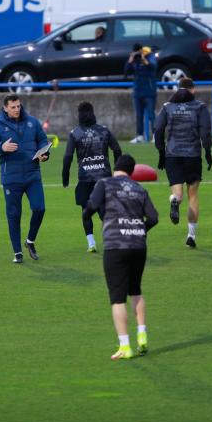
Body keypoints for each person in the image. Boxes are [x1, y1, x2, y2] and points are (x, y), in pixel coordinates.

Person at [83, 154, 159, 360]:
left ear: (115, 167)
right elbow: (154, 217)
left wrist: (90, 215)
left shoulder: (104, 183)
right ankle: (142, 333)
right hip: (138, 244)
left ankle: (125, 345)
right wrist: (140, 229)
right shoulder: (139, 188)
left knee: (117, 297)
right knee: (136, 290)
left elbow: (90, 207)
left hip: (115, 245)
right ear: (132, 172)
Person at [0, 94, 50, 263]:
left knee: (39, 208)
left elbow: (43, 140)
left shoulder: (32, 122)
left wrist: (45, 154)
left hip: (32, 174)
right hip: (11, 178)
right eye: (13, 107)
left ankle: (30, 240)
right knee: (14, 215)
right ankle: (17, 253)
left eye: (18, 106)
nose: (17, 110)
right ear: (5, 108)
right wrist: (1, 147)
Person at [154, 77, 212, 248]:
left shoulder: (167, 107)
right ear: (192, 90)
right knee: (193, 196)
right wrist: (207, 152)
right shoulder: (200, 107)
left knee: (178, 195)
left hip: (173, 155)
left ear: (178, 89)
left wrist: (161, 152)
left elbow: (158, 130)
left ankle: (174, 199)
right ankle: (191, 235)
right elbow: (205, 132)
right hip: (193, 156)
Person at [62, 101, 122, 252]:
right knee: (103, 209)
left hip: (85, 178)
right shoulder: (104, 130)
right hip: (104, 177)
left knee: (86, 209)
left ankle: (91, 243)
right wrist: (117, 170)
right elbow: (117, 149)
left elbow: (68, 156)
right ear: (93, 113)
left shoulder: (75, 133)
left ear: (79, 115)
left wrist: (65, 176)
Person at [125, 43, 158, 144]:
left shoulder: (150, 56)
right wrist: (130, 60)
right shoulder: (134, 59)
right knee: (139, 115)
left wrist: (144, 59)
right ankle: (139, 136)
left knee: (151, 114)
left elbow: (154, 66)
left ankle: (156, 136)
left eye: (139, 52)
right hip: (138, 91)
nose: (138, 54)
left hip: (149, 91)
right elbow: (126, 72)